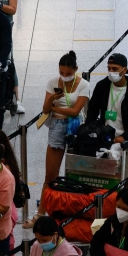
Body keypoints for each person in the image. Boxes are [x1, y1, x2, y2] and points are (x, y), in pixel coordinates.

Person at [39, 51, 90, 211]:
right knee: (50, 175)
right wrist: (51, 99)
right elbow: (45, 109)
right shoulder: (52, 82)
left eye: (68, 73)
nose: (64, 76)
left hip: (75, 127)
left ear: (76, 69)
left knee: (75, 174)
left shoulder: (84, 85)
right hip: (56, 127)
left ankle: (72, 208)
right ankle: (41, 212)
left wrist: (55, 108)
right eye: (61, 73)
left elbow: (75, 111)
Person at [86, 52, 128, 143]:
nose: (111, 72)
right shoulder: (102, 86)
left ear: (124, 70)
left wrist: (124, 137)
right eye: (109, 68)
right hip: (104, 136)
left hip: (126, 139)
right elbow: (92, 112)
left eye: (115, 69)